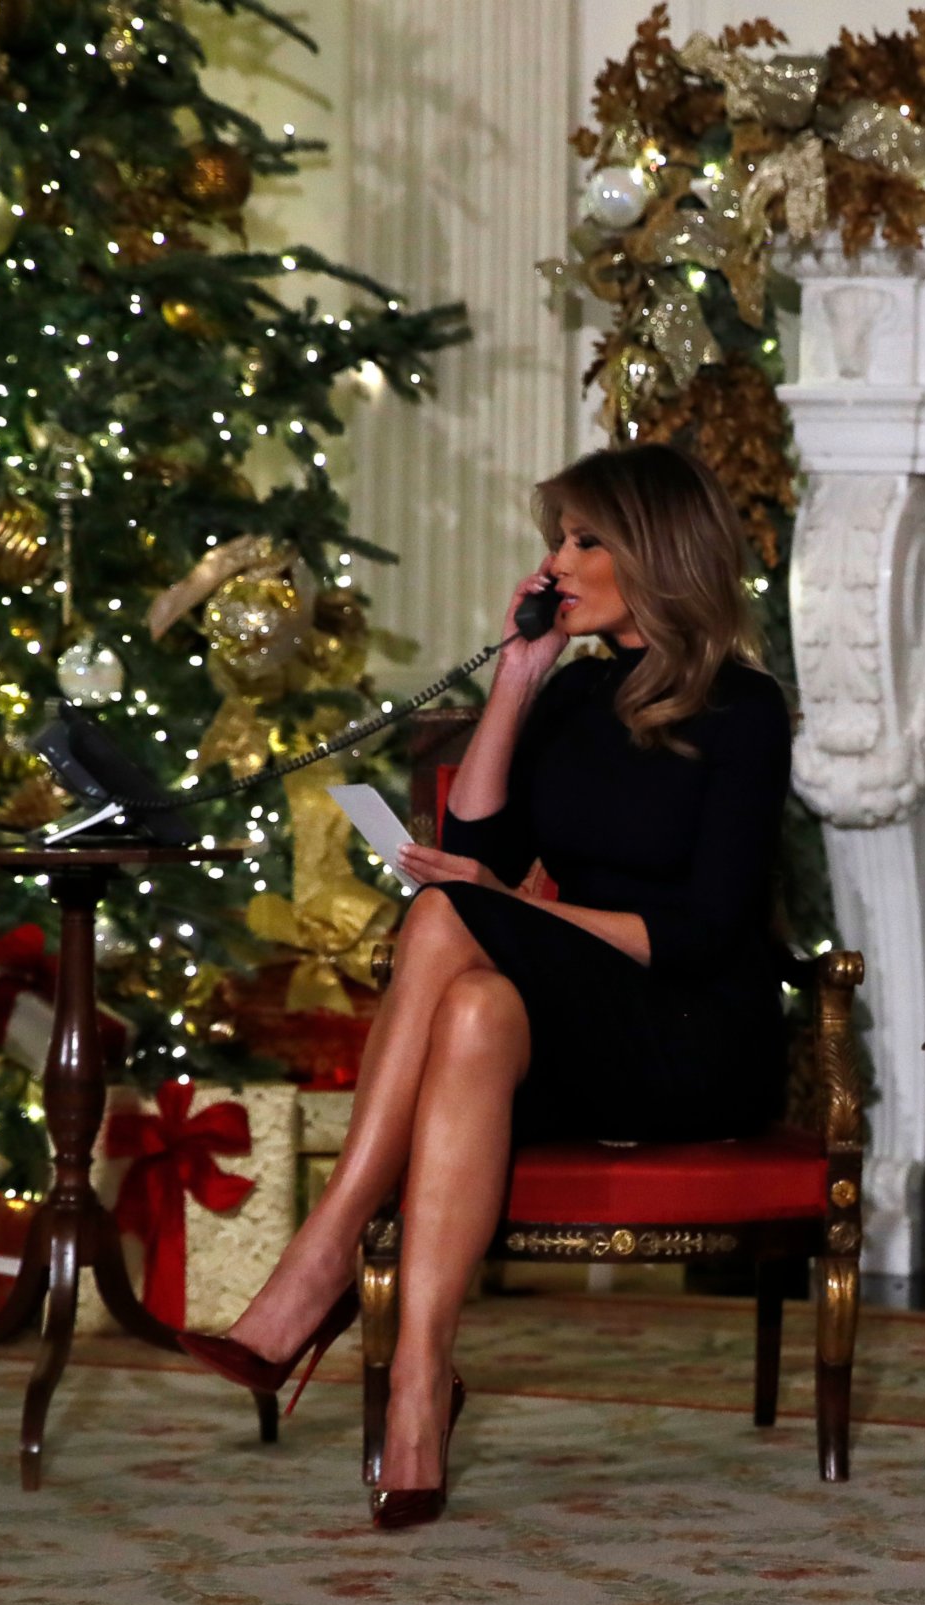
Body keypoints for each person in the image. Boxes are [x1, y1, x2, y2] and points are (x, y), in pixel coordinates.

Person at [179, 443, 793, 1529]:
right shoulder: (571, 693)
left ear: (653, 553)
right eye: (556, 539)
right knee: (471, 1005)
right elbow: (484, 845)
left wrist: (513, 909)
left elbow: (700, 932)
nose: (557, 562)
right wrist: (517, 676)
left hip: (691, 1039)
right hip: (568, 1026)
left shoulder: (744, 712)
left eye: (583, 540)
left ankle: (323, 1252)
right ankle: (420, 1385)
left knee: (456, 914)